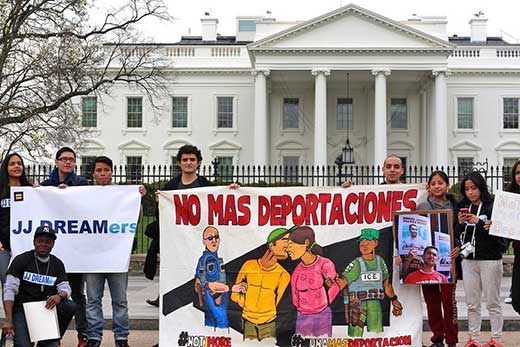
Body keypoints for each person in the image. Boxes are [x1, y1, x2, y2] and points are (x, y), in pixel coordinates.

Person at [84, 156, 146, 347]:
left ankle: (121, 338)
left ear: (112, 172)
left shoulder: (124, 193)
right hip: (93, 256)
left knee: (120, 300)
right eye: (99, 170)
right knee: (93, 299)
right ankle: (94, 337)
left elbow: (136, 218)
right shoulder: (84, 193)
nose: (103, 174)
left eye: (106, 170)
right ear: (93, 173)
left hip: (117, 256)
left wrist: (138, 199)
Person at [145, 144, 214, 308]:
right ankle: (165, 296)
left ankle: (199, 296)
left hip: (198, 236)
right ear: (179, 163)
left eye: (192, 159)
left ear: (199, 163)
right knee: (173, 269)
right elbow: (162, 216)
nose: (189, 162)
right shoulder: (170, 186)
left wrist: (232, 190)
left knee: (198, 268)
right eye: (185, 160)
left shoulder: (207, 185)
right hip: (175, 238)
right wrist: (159, 203)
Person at [40, 147, 89, 347]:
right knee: (50, 294)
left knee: (77, 294)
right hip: (52, 253)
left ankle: (82, 335)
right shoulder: (46, 185)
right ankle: (54, 336)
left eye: (71, 159)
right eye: (64, 159)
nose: (68, 162)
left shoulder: (82, 184)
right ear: (56, 162)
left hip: (76, 251)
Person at [2, 226, 77, 347]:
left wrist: (59, 295)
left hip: (45, 309)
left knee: (69, 305)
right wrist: (8, 320)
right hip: (22, 310)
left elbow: (66, 288)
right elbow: (9, 290)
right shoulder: (21, 260)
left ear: (53, 244)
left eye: (48, 242)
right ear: (34, 242)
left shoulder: (57, 263)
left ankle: (48, 340)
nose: (44, 244)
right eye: (40, 241)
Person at [455, 172, 504, 347]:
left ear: (480, 187)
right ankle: (473, 339)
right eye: (467, 189)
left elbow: (500, 233)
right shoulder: (462, 205)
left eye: (473, 188)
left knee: (493, 302)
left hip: (490, 258)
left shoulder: (492, 205)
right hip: (468, 260)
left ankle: (496, 339)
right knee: (472, 303)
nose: (470, 192)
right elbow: (456, 233)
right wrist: (460, 223)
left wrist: (479, 222)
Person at [417, 170, 459, 347]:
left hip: (448, 258)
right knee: (431, 300)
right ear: (429, 186)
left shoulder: (455, 205)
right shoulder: (423, 207)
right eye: (433, 183)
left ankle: (451, 339)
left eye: (440, 182)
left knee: (449, 301)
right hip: (428, 260)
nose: (437, 186)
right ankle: (438, 338)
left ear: (447, 185)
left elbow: (460, 230)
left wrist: (458, 245)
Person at [230, 227, 293, 341]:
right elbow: (234, 294)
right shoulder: (249, 265)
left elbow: (276, 303)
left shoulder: (284, 275)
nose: (288, 244)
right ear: (271, 245)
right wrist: (248, 305)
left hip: (269, 324)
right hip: (247, 321)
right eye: (285, 239)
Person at [341, 228, 403, 337]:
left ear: (375, 243)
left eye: (368, 240)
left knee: (376, 334)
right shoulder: (356, 264)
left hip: (375, 305)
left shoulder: (380, 262)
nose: (363, 244)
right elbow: (342, 282)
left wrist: (394, 300)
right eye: (361, 240)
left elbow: (387, 285)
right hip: (358, 305)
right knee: (355, 337)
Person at [287, 226, 344, 337]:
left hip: (323, 314)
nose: (288, 249)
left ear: (306, 243)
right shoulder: (296, 272)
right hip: (303, 316)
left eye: (291, 245)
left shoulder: (325, 264)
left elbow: (335, 287)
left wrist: (323, 304)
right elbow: (295, 299)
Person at [194, 226, 243, 329]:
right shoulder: (206, 260)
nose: (214, 241)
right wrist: (230, 288)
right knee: (221, 324)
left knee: (212, 325)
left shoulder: (216, 259)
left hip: (220, 297)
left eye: (216, 237)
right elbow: (202, 283)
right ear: (204, 242)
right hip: (213, 299)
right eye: (210, 238)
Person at [0, 153, 32, 291]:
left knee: (25, 285)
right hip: (4, 247)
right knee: (7, 283)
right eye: (12, 164)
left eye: (19, 163)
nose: (17, 166)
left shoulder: (30, 190)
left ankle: (22, 313)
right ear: (5, 167)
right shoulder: (1, 190)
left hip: (25, 245)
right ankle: (9, 314)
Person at [502, 161, 520, 315]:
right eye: (518, 173)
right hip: (518, 251)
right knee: (517, 298)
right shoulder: (510, 197)